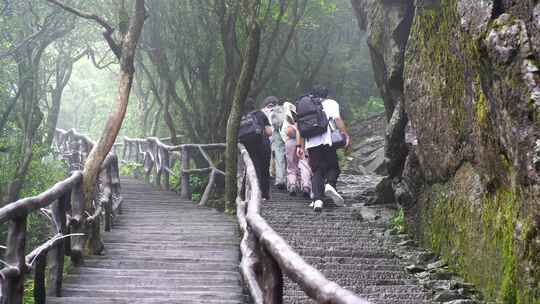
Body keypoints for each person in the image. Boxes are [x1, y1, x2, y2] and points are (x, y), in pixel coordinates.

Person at [296, 86, 351, 212]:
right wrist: (345, 135)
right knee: (333, 167)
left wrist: (299, 146)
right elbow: (337, 119)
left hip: (311, 143)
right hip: (327, 141)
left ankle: (317, 200)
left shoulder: (304, 106)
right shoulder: (331, 103)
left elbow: (299, 126)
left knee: (317, 171)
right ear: (326, 94)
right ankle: (330, 185)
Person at [239, 97, 273, 200]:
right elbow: (269, 132)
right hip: (264, 144)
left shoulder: (241, 117)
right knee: (264, 170)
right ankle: (264, 195)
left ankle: (250, 193)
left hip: (249, 146)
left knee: (254, 168)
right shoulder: (260, 114)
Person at [281, 101, 312, 197]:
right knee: (304, 164)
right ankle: (306, 185)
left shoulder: (286, 119)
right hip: (303, 142)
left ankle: (292, 185)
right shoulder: (303, 117)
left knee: (291, 166)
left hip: (290, 142)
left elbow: (287, 132)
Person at [263, 96, 287, 190]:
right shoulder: (281, 110)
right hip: (278, 134)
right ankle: (280, 179)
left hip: (265, 136)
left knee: (266, 157)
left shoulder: (262, 111)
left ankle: (266, 176)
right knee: (279, 157)